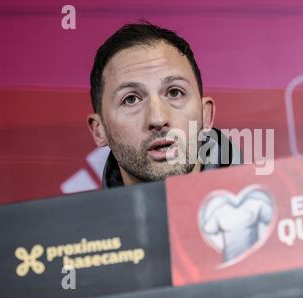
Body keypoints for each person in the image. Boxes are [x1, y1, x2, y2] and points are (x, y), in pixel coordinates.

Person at [87, 22, 241, 188]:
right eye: (131, 99)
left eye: (174, 93)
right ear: (99, 130)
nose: (158, 119)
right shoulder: (78, 215)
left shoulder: (271, 210)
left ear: (206, 115)